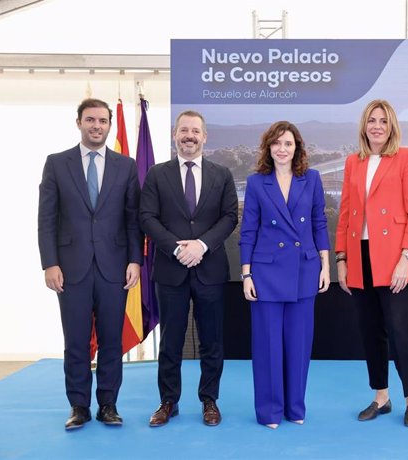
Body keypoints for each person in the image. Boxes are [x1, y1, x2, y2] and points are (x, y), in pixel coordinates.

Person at [38, 98, 143, 430]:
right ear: (78, 122)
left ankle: (108, 405)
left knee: (112, 340)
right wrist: (49, 263)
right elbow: (46, 220)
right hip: (70, 270)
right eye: (90, 120)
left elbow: (132, 220)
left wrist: (134, 261)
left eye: (102, 121)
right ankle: (79, 406)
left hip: (114, 268)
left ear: (110, 125)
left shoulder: (126, 166)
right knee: (76, 341)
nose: (97, 125)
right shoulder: (56, 163)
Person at [139, 110, 238, 428]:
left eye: (195, 131)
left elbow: (229, 217)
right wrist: (177, 247)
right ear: (175, 135)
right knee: (171, 340)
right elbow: (147, 217)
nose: (189, 136)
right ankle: (169, 401)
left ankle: (210, 400)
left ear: (205, 136)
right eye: (184, 130)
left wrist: (201, 245)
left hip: (209, 269)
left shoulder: (222, 174)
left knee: (212, 339)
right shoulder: (157, 174)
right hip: (171, 269)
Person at [335, 99, 408, 427]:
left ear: (391, 127)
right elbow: (345, 214)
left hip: (394, 259)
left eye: (383, 121)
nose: (376, 126)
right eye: (372, 120)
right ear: (364, 125)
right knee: (371, 331)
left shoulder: (406, 157)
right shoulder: (352, 162)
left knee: (401, 331)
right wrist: (341, 259)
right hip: (360, 257)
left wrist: (406, 258)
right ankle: (381, 396)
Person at [239, 121, 331, 429]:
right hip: (265, 273)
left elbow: (319, 223)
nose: (282, 148)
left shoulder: (312, 179)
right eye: (276, 143)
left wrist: (325, 266)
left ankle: (295, 407)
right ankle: (269, 411)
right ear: (268, 147)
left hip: (305, 270)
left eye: (288, 143)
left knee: (299, 344)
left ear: (297, 148)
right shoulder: (255, 183)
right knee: (267, 345)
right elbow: (248, 230)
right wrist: (246, 274)